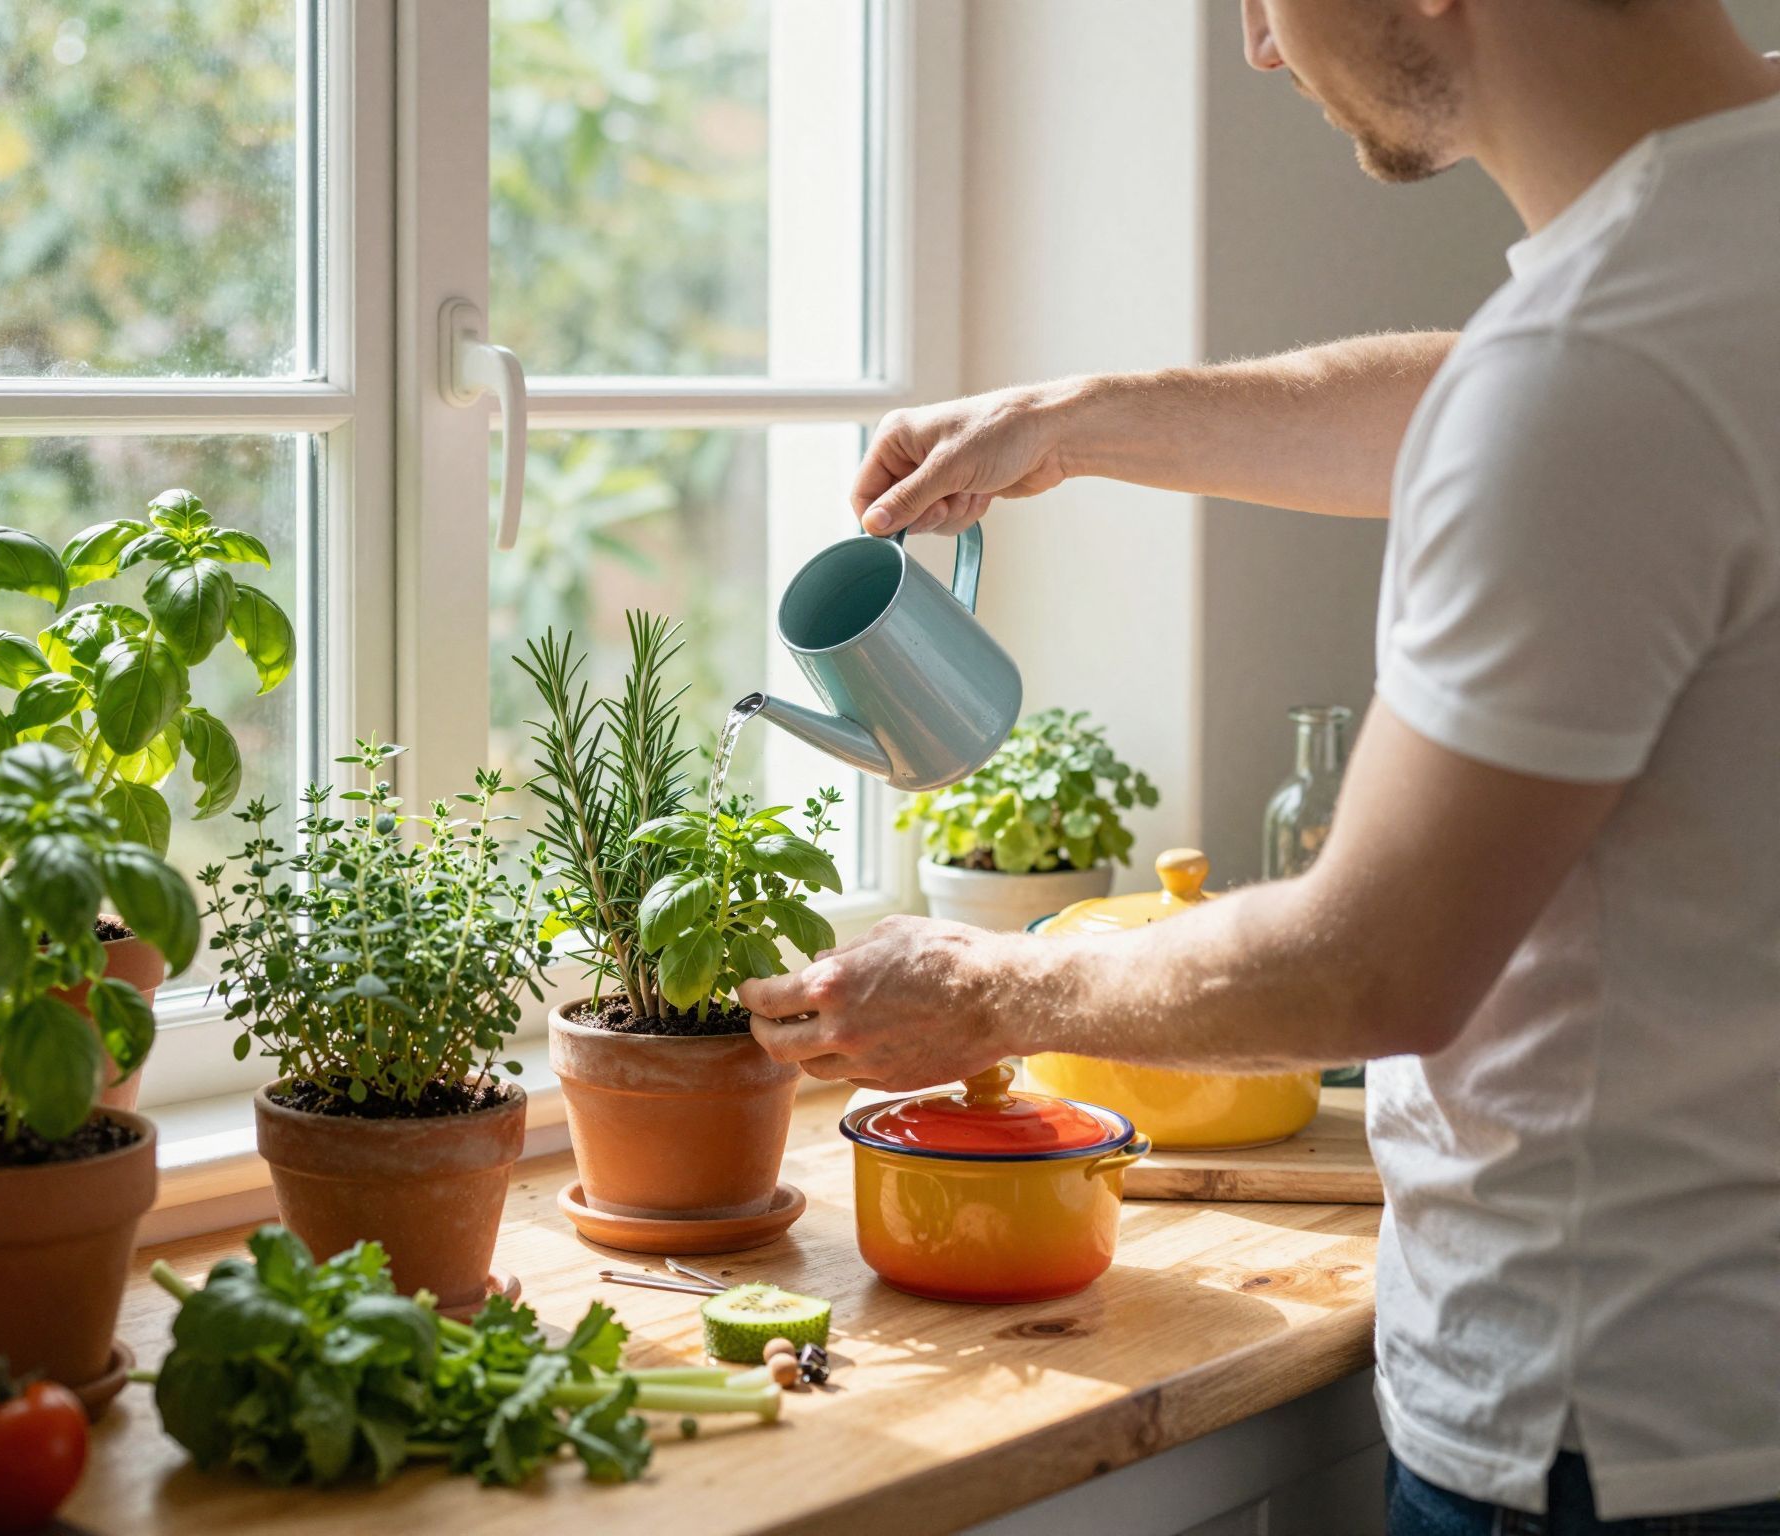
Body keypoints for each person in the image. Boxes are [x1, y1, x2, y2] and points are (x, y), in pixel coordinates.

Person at [736, 1, 1780, 1530]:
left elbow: (1373, 966)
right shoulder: (1713, 241)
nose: (1261, 48)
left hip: (1610, 1430)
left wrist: (987, 988)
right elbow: (1526, 407)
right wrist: (1076, 422)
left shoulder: (1596, 366)